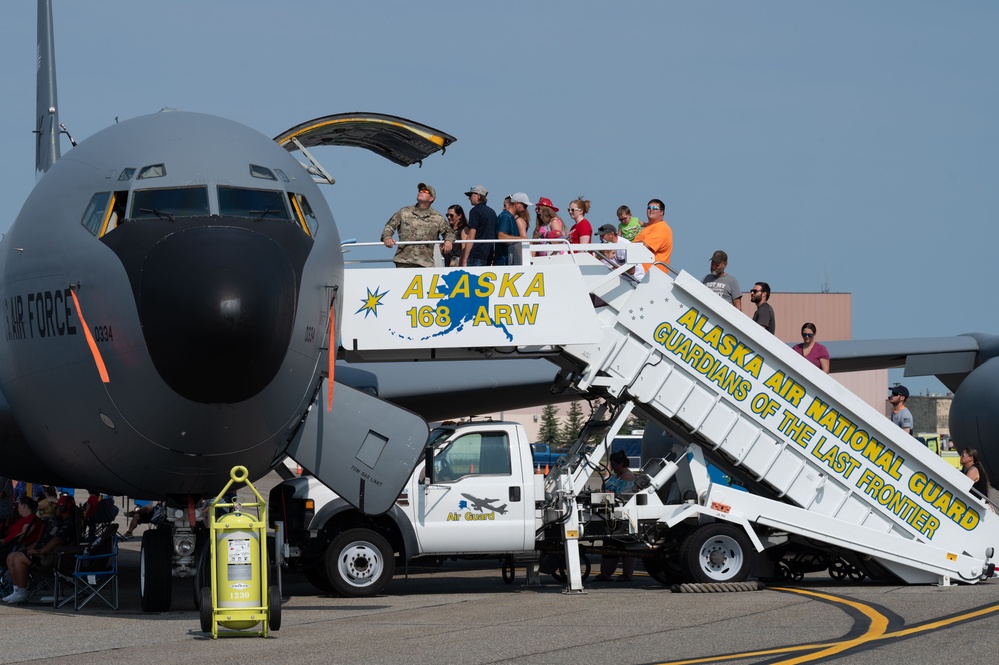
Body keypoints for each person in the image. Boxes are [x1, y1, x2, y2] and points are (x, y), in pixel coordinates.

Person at [1, 496, 77, 604]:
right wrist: (32, 548)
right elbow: (46, 539)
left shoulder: (68, 524)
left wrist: (41, 551)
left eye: (58, 508)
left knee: (17, 559)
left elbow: (57, 541)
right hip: (43, 552)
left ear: (63, 509)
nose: (56, 510)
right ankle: (16, 591)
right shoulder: (59, 523)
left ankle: (22, 592)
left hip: (50, 556)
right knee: (11, 556)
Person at [381, 183, 454, 268]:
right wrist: (387, 238)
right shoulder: (404, 212)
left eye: (425, 191)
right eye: (420, 191)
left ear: (431, 198)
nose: (421, 192)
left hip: (425, 263)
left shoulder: (437, 217)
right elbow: (389, 227)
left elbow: (449, 232)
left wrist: (448, 240)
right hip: (403, 262)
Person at [595, 451, 637, 582]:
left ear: (622, 464)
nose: (613, 468)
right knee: (610, 544)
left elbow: (622, 495)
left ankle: (626, 574)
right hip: (611, 512)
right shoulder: (617, 476)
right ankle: (606, 573)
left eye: (615, 465)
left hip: (623, 514)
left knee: (623, 545)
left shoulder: (628, 477)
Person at [633, 198, 672, 273]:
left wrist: (625, 245)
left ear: (661, 212)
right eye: (649, 208)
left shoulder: (662, 228)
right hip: (639, 275)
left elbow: (644, 246)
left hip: (651, 277)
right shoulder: (647, 228)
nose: (651, 210)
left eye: (655, 208)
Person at [462, 185, 497, 266]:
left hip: (476, 254)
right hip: (489, 254)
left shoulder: (474, 211)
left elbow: (471, 236)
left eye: (471, 195)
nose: (469, 198)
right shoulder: (492, 212)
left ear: (478, 195)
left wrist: (464, 259)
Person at [495, 196, 527, 266]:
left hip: (507, 261)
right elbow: (501, 236)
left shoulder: (509, 216)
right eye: (524, 205)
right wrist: (522, 239)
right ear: (517, 204)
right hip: (504, 262)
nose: (525, 209)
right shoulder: (506, 216)